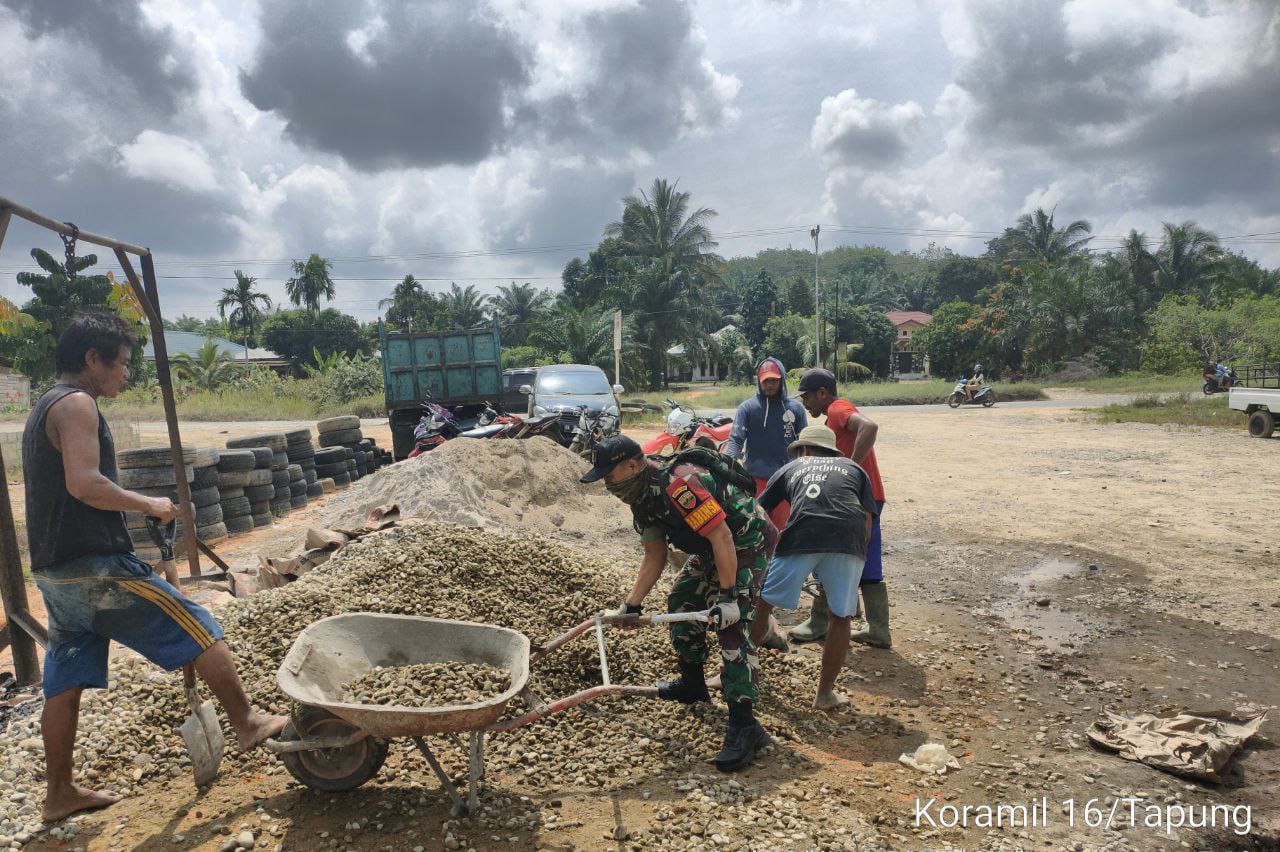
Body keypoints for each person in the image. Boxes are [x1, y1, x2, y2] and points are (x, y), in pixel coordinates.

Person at [22, 312, 287, 823]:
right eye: (119, 364)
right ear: (91, 359)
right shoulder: (77, 404)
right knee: (197, 622)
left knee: (67, 674)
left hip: (56, 572)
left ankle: (58, 793)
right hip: (92, 568)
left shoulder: (44, 406)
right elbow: (83, 483)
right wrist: (150, 504)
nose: (125, 374)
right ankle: (248, 722)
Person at [581, 435, 769, 772]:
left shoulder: (679, 486)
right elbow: (655, 554)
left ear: (633, 465)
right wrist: (632, 606)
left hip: (744, 541)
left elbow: (722, 536)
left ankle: (745, 724)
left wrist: (727, 598)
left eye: (609, 475)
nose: (607, 483)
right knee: (682, 601)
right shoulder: (640, 496)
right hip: (712, 548)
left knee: (730, 625)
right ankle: (694, 684)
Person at [749, 425, 878, 709]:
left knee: (763, 605)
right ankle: (824, 695)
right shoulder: (854, 469)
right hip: (849, 539)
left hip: (801, 537)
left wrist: (759, 552)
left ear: (804, 450)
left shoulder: (793, 466)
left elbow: (758, 511)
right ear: (832, 451)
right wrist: (855, 557)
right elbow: (867, 519)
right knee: (841, 617)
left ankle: (735, 674)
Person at [792, 368, 891, 648]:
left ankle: (819, 622)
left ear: (822, 392)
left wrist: (850, 468)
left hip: (853, 499)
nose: (805, 403)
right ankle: (878, 629)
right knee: (868, 560)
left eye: (807, 396)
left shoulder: (837, 409)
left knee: (828, 554)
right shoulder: (834, 414)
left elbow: (869, 427)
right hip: (867, 497)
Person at [724, 358, 807, 531]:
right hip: (755, 481)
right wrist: (725, 465)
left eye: (774, 380)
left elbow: (805, 444)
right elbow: (736, 439)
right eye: (765, 381)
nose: (769, 385)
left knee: (782, 532)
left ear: (782, 379)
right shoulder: (747, 408)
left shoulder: (796, 409)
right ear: (759, 381)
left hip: (786, 482)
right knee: (756, 530)